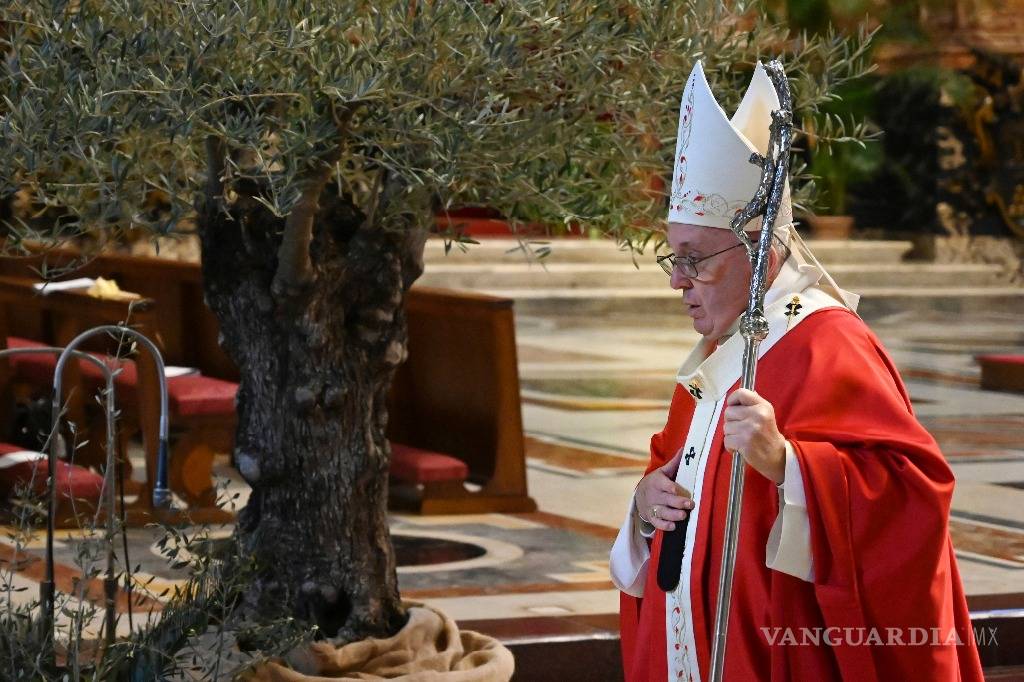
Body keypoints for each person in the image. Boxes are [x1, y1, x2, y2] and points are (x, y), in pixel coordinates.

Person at [609, 61, 984, 681]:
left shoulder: (827, 341)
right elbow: (676, 476)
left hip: (782, 651)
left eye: (695, 260)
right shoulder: (719, 352)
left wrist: (789, 464)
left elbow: (913, 496)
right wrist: (645, 507)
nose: (678, 281)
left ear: (759, 249)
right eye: (672, 258)